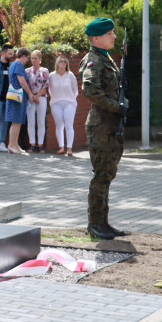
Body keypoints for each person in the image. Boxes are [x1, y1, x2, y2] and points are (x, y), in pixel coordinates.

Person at [79, 17, 127, 240]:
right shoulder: (93, 61)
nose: (114, 37)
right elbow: (90, 90)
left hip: (110, 126)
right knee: (101, 176)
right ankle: (95, 223)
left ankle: (103, 223)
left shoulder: (106, 58)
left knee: (107, 175)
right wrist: (116, 107)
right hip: (101, 126)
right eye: (110, 34)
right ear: (96, 37)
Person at [48, 54, 78, 155]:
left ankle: (69, 148)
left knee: (69, 125)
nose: (63, 63)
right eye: (61, 61)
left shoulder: (70, 75)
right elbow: (49, 89)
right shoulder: (52, 75)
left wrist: (71, 99)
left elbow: (75, 90)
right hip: (56, 103)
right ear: (57, 63)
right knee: (59, 125)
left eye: (65, 62)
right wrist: (55, 98)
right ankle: (61, 147)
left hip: (69, 103)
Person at [6, 47, 34, 154]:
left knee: (18, 122)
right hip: (17, 97)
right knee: (16, 121)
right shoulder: (18, 65)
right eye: (27, 58)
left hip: (18, 97)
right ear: (23, 56)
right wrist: (30, 94)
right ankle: (12, 145)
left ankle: (14, 144)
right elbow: (22, 81)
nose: (28, 61)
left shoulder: (13, 64)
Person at [25, 49, 49, 153]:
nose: (33, 60)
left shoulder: (44, 71)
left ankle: (40, 145)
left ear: (40, 59)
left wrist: (38, 96)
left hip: (42, 98)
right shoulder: (27, 71)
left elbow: (46, 84)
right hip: (30, 98)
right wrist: (32, 96)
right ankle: (32, 144)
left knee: (41, 121)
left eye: (35, 58)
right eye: (32, 58)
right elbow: (25, 84)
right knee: (30, 121)